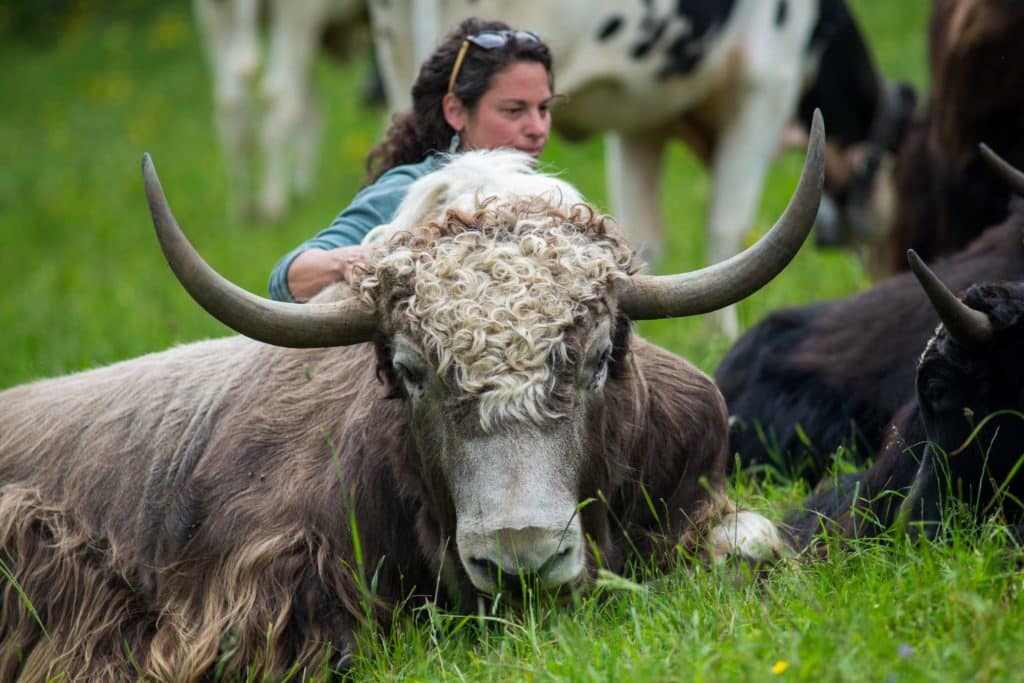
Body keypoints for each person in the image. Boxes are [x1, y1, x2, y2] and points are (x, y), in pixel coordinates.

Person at [269, 18, 556, 302]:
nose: (537, 128)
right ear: (455, 111)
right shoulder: (413, 189)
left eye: (543, 109)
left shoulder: (549, 196)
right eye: (513, 110)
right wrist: (351, 261)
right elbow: (288, 277)